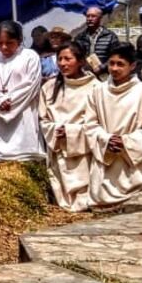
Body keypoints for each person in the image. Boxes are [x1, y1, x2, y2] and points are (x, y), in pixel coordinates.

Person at [87, 43, 142, 208]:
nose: (114, 68)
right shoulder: (97, 91)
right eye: (111, 63)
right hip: (104, 168)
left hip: (134, 169)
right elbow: (90, 125)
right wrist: (107, 139)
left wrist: (126, 142)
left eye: (120, 64)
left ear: (133, 66)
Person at [39, 42, 99, 212]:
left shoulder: (95, 87)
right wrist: (55, 130)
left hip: (83, 150)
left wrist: (72, 132)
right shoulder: (50, 87)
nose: (63, 63)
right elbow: (43, 118)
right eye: (60, 59)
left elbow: (98, 122)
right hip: (58, 146)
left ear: (80, 61)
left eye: (68, 59)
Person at [0, 20, 45, 163]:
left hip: (23, 111)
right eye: (0, 43)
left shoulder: (30, 56)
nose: (4, 47)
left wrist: (11, 102)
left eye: (9, 43)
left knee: (24, 154)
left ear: (19, 40)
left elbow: (31, 84)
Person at [76, 7, 120, 79]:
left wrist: (102, 67)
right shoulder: (80, 37)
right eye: (88, 16)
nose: (90, 19)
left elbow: (116, 56)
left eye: (93, 16)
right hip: (85, 76)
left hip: (104, 76)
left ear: (100, 18)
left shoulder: (110, 36)